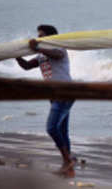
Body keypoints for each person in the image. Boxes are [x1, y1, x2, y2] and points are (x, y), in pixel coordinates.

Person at [16, 25, 75, 178]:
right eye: (38, 36)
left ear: (50, 37)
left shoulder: (59, 48)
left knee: (51, 128)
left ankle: (68, 161)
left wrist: (38, 48)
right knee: (62, 130)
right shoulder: (41, 55)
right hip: (53, 94)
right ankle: (68, 167)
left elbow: (56, 55)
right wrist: (15, 55)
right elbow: (27, 66)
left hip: (65, 91)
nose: (39, 38)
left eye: (42, 36)